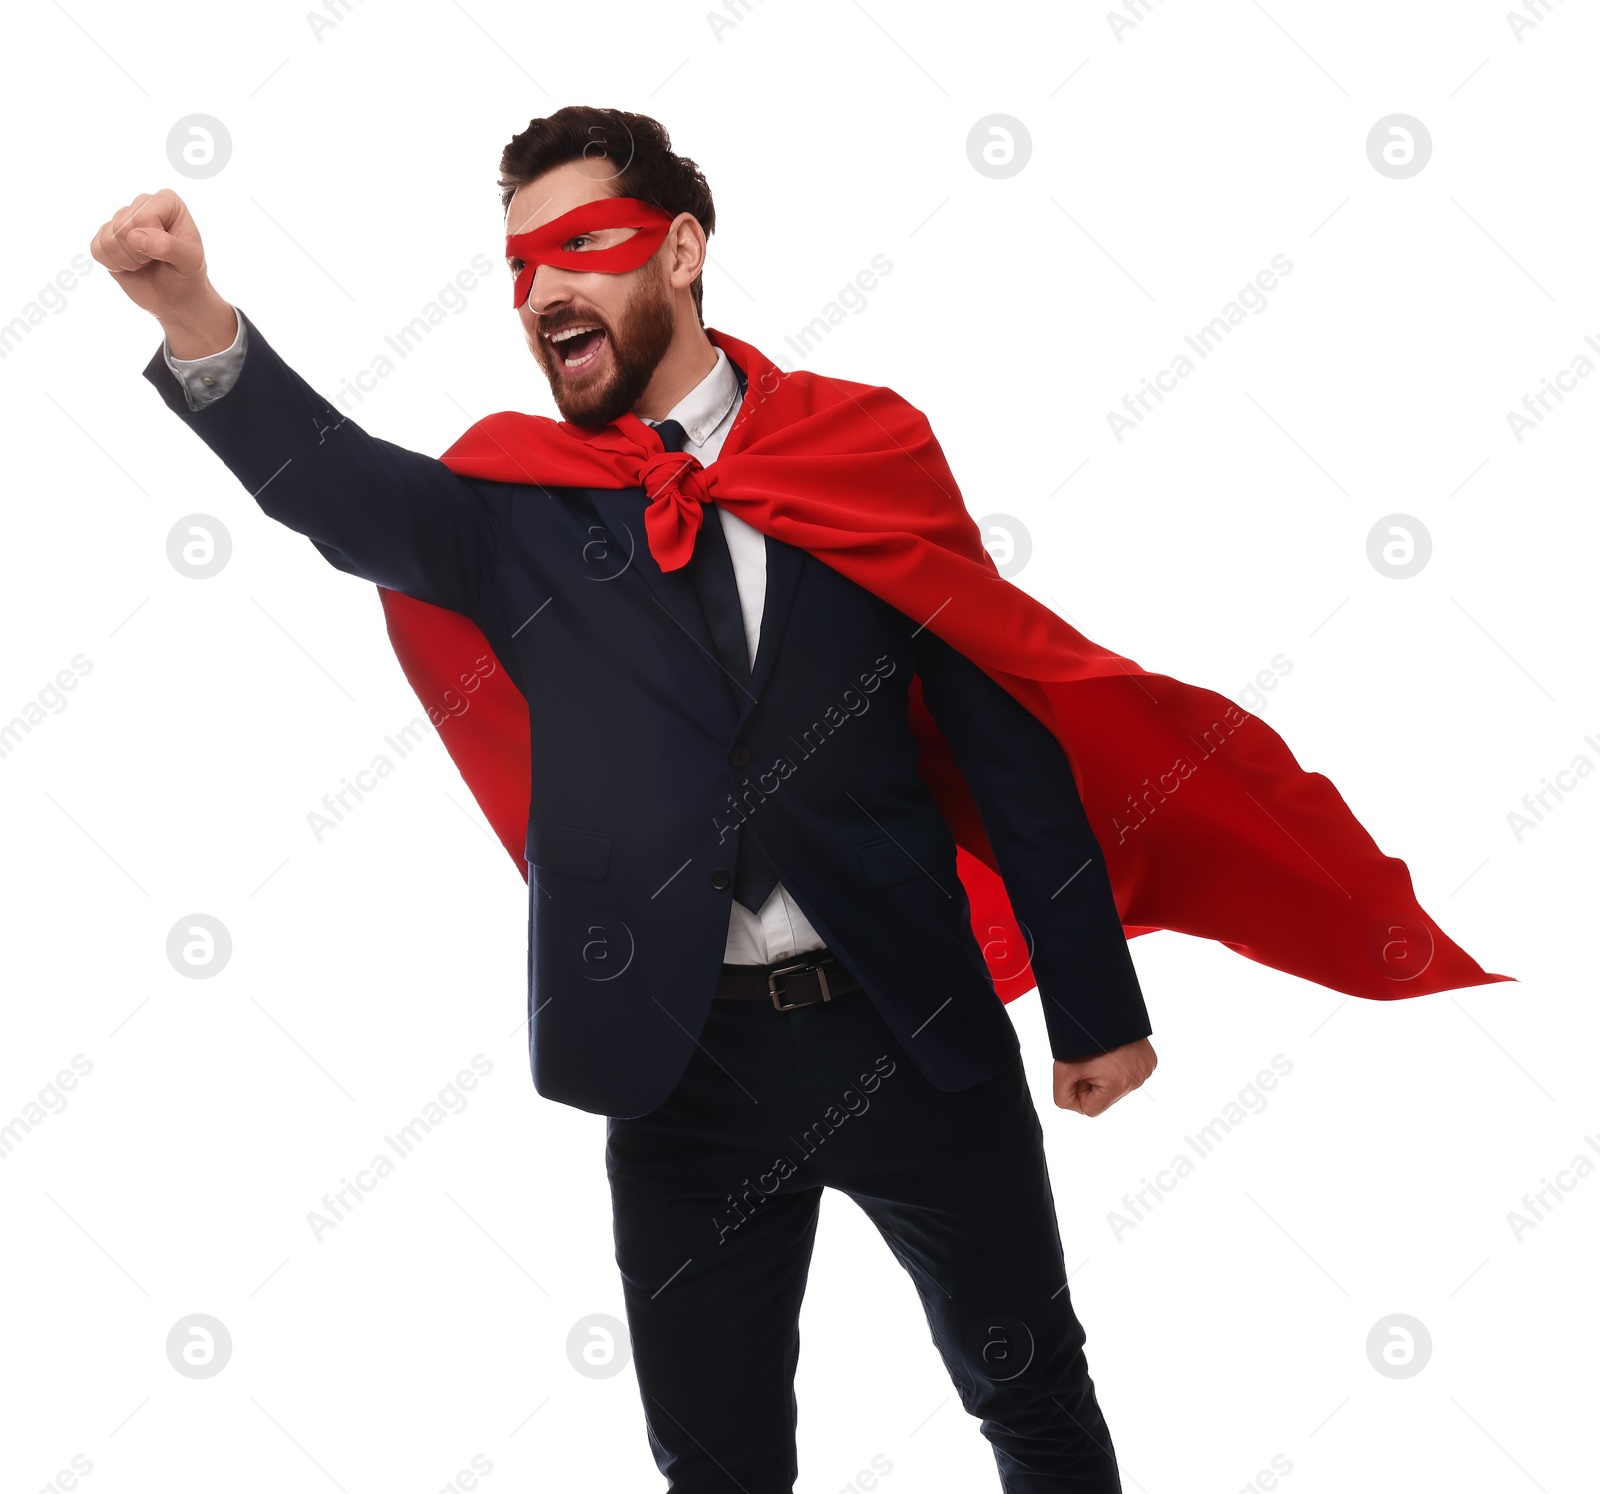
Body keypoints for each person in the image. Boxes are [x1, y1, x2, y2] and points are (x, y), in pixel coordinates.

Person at [95, 105, 1189, 1494]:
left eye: (581, 247)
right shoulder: (518, 511)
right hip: (687, 1072)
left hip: (916, 1033)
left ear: (679, 251)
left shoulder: (866, 446)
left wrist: (1095, 1003)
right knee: (716, 1468)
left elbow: (1007, 731)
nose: (543, 289)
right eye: (518, 266)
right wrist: (196, 314)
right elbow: (344, 496)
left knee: (1036, 1407)